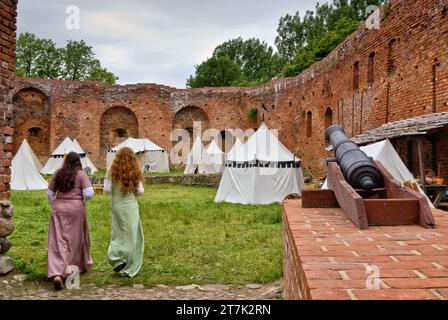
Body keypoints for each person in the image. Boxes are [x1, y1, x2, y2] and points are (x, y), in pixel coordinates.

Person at [47, 152, 94, 290]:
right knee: (74, 240)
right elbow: (89, 193)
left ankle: (56, 273)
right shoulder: (81, 174)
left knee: (57, 240)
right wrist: (81, 200)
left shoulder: (58, 173)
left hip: (59, 208)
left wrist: (57, 203)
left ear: (66, 161)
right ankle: (70, 270)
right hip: (76, 209)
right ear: (78, 162)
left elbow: (50, 194)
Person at [104, 147, 144, 278]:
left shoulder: (112, 172)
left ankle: (117, 258)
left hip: (117, 206)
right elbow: (140, 192)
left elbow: (107, 190)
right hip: (130, 206)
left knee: (117, 233)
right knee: (131, 235)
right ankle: (128, 260)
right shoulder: (135, 172)